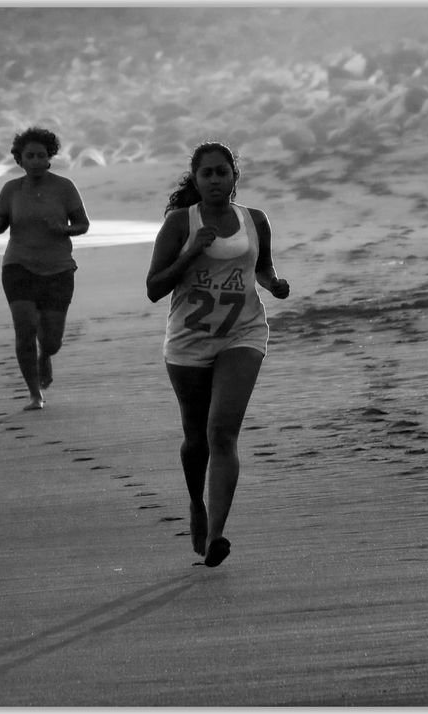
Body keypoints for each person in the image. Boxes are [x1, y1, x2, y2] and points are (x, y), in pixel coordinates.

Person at [146, 141, 290, 567]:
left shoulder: (254, 220)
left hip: (242, 334)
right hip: (189, 341)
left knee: (221, 432)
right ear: (195, 178)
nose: (214, 179)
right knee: (196, 438)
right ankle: (196, 504)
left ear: (233, 177)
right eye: (206, 173)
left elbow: (261, 268)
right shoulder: (179, 223)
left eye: (221, 172)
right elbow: (154, 288)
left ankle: (216, 537)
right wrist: (192, 251)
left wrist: (274, 285)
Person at [0, 127, 90, 410]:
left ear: (49, 158)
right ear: (19, 160)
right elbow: (1, 221)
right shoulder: (11, 189)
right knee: (24, 328)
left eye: (40, 156)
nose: (35, 161)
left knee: (52, 339)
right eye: (29, 156)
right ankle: (34, 393)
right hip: (18, 266)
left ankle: (45, 356)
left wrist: (65, 229)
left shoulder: (64, 187)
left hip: (58, 269)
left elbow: (83, 224)